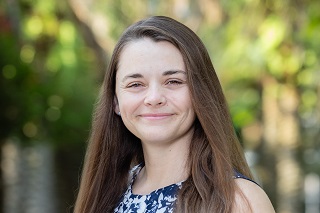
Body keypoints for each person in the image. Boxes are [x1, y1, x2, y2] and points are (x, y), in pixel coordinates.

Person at [74, 16, 275, 213]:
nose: (154, 98)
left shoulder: (239, 201)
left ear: (201, 93)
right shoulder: (109, 194)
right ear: (116, 101)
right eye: (136, 84)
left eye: (174, 82)